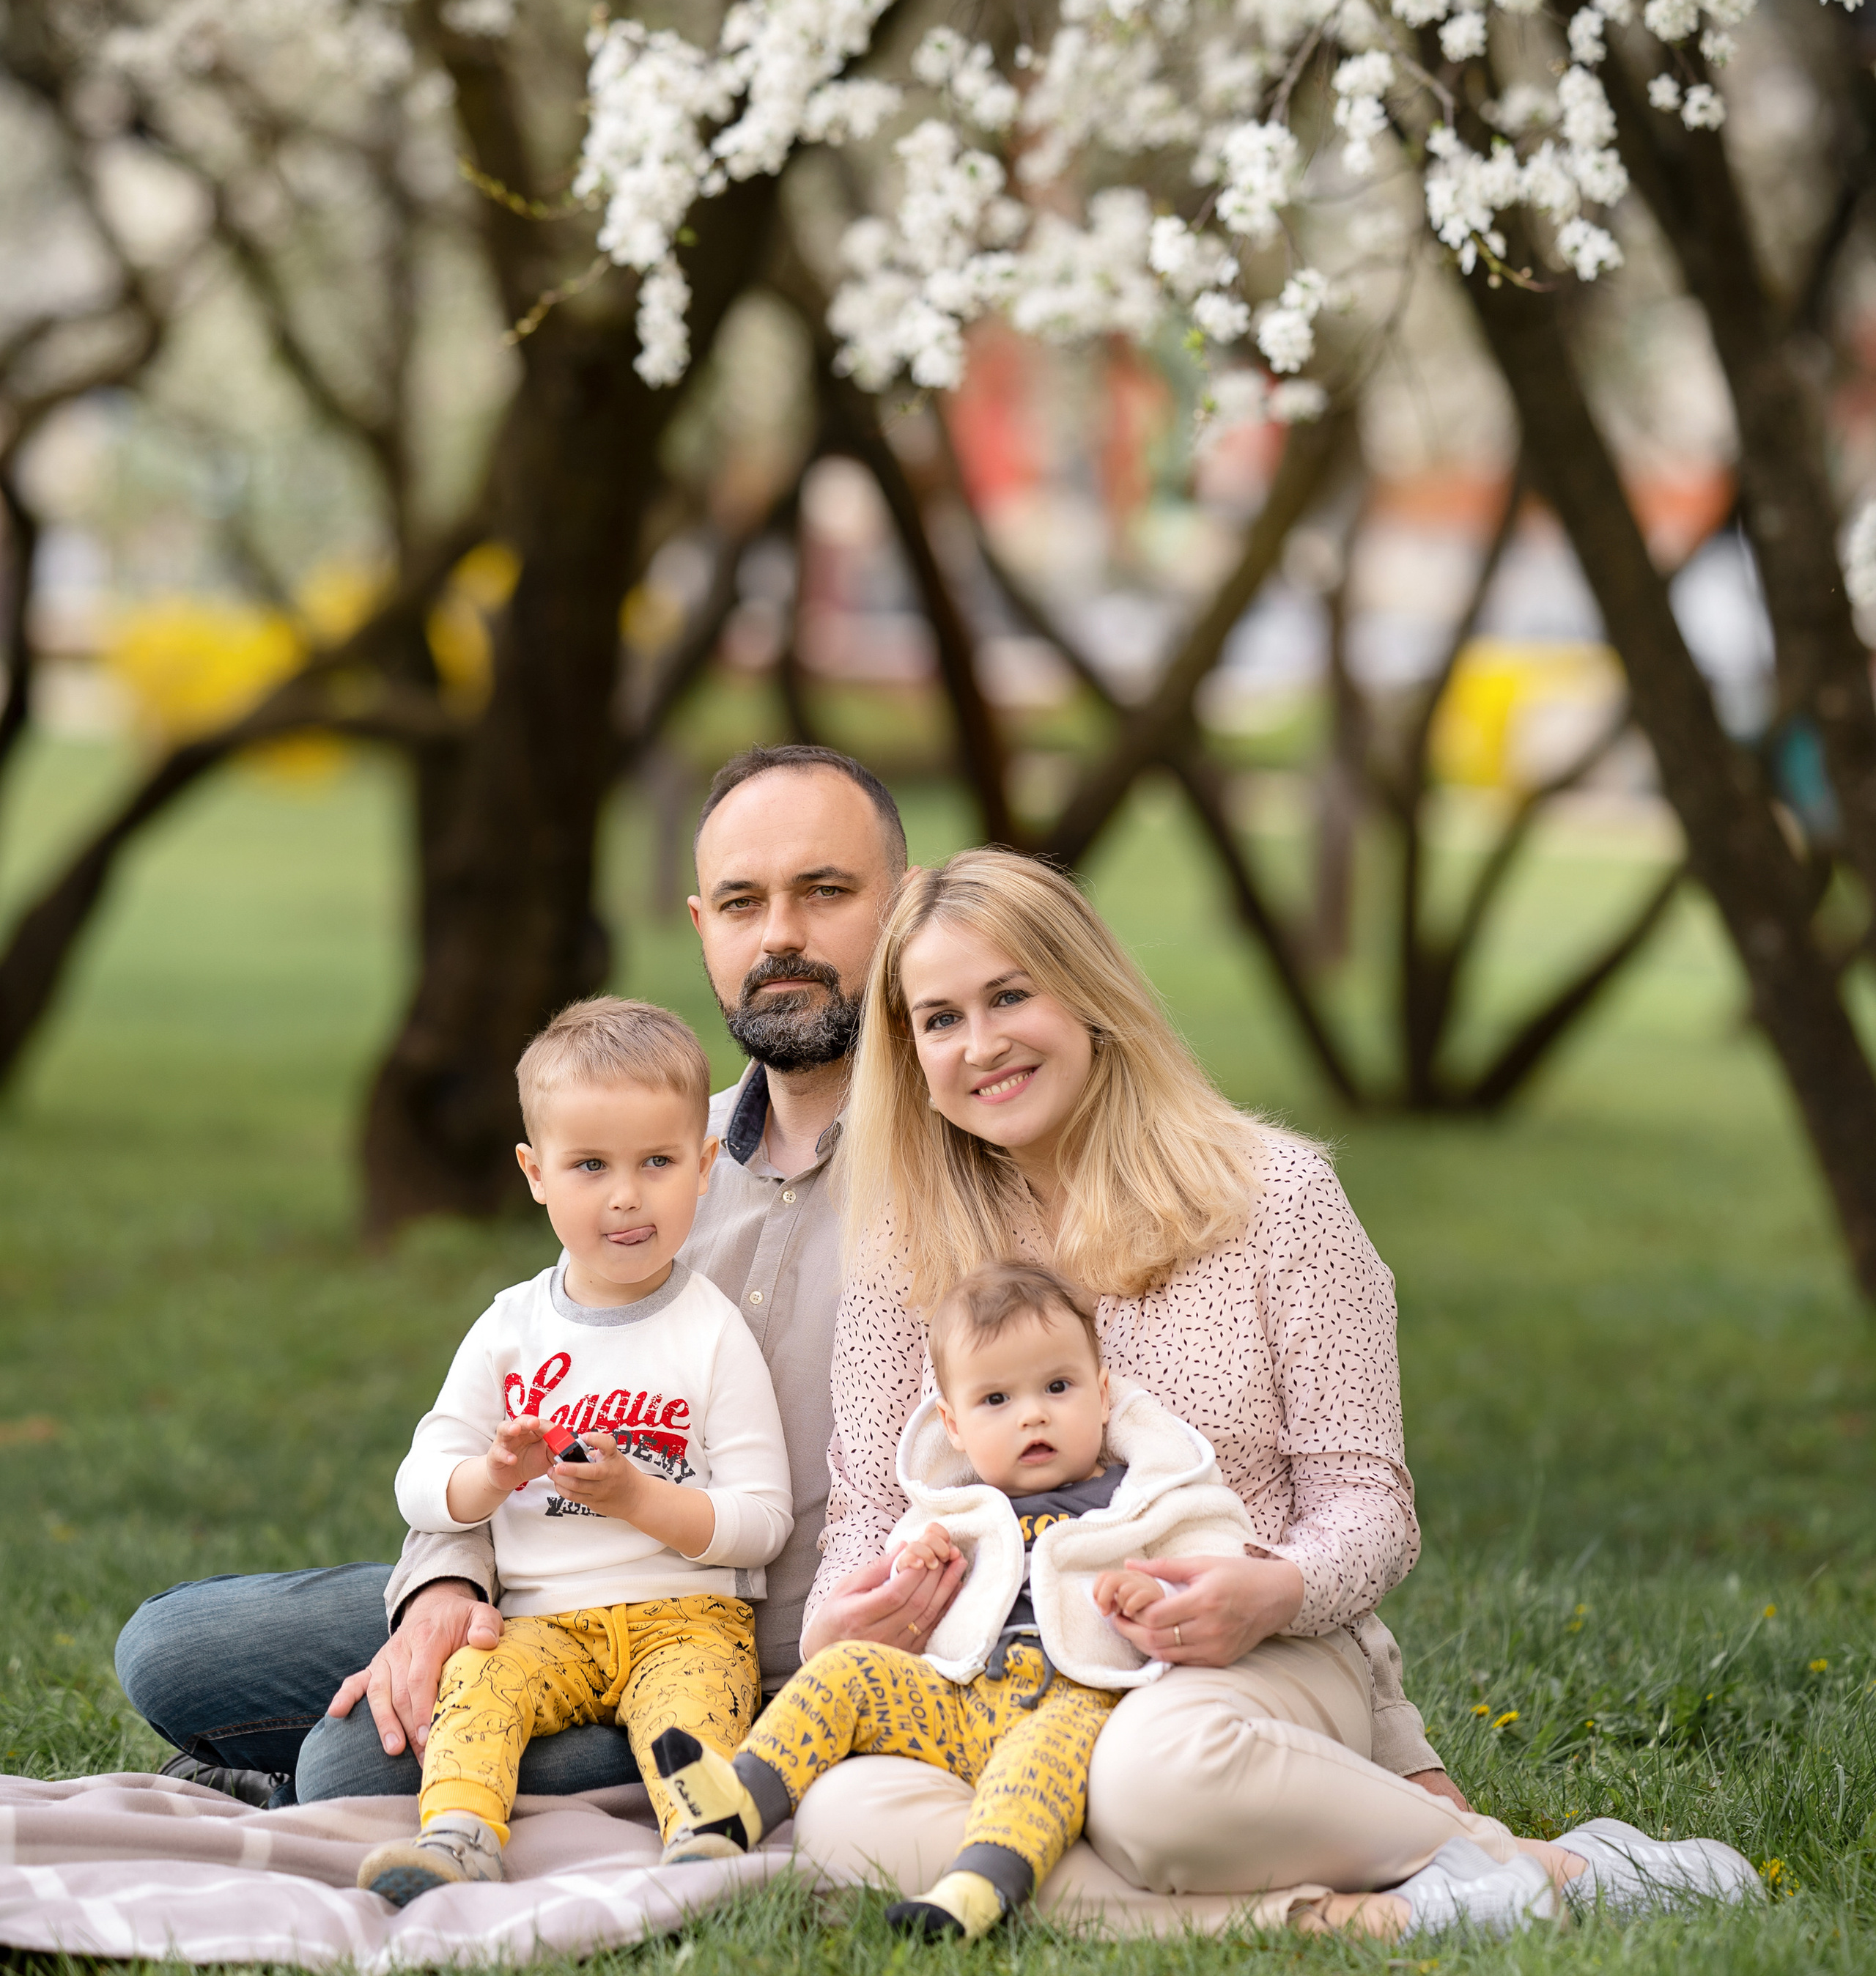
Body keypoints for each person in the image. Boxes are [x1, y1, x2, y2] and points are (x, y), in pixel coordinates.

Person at [112, 741, 1453, 1828]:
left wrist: (1388, 1728)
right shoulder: (657, 1157)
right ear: (702, 927)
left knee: (353, 1775)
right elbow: (518, 1381)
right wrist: (445, 1588)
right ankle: (299, 1757)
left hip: (767, 1650)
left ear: (905, 900)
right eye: (746, 904)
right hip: (566, 1579)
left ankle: (294, 1781)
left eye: (827, 892)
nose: (785, 937)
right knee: (171, 1651)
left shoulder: (974, 1172)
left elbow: (1195, 1453)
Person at [785, 846, 1757, 1930]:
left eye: (1011, 995)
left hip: (1249, 1668)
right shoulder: (902, 1249)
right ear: (909, 1052)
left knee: (1151, 1782)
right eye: (941, 1018)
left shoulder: (1275, 1199)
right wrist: (846, 1621)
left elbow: (1370, 1506)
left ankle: (1531, 1864)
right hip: (998, 1682)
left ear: (1090, 996)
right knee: (844, 1819)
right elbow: (869, 1504)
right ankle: (1375, 1912)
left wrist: (1273, 1590)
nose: (984, 1044)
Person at [654, 1259, 1552, 1942]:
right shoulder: (955, 1506)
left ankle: (983, 1883)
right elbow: (884, 1565)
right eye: (998, 1400)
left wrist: (1157, 1588)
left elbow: (1210, 1547)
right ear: (956, 1427)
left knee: (1037, 1771)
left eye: (1057, 1388)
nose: (1034, 1416)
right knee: (843, 1756)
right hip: (963, 1703)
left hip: (1087, 1703)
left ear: (1103, 1393)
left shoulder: (1141, 1495)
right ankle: (737, 1803)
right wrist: (901, 1579)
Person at [353, 996, 791, 1905]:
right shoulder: (509, 1329)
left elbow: (762, 1521)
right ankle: (461, 1835)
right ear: (535, 1173)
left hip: (688, 1616)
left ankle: (705, 1839)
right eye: (589, 1165)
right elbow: (420, 1484)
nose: (626, 1195)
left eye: (658, 1163)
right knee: (478, 1686)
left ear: (704, 1167)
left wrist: (640, 1501)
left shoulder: (711, 1334)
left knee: (695, 1709)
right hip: (536, 1622)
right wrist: (493, 1477)